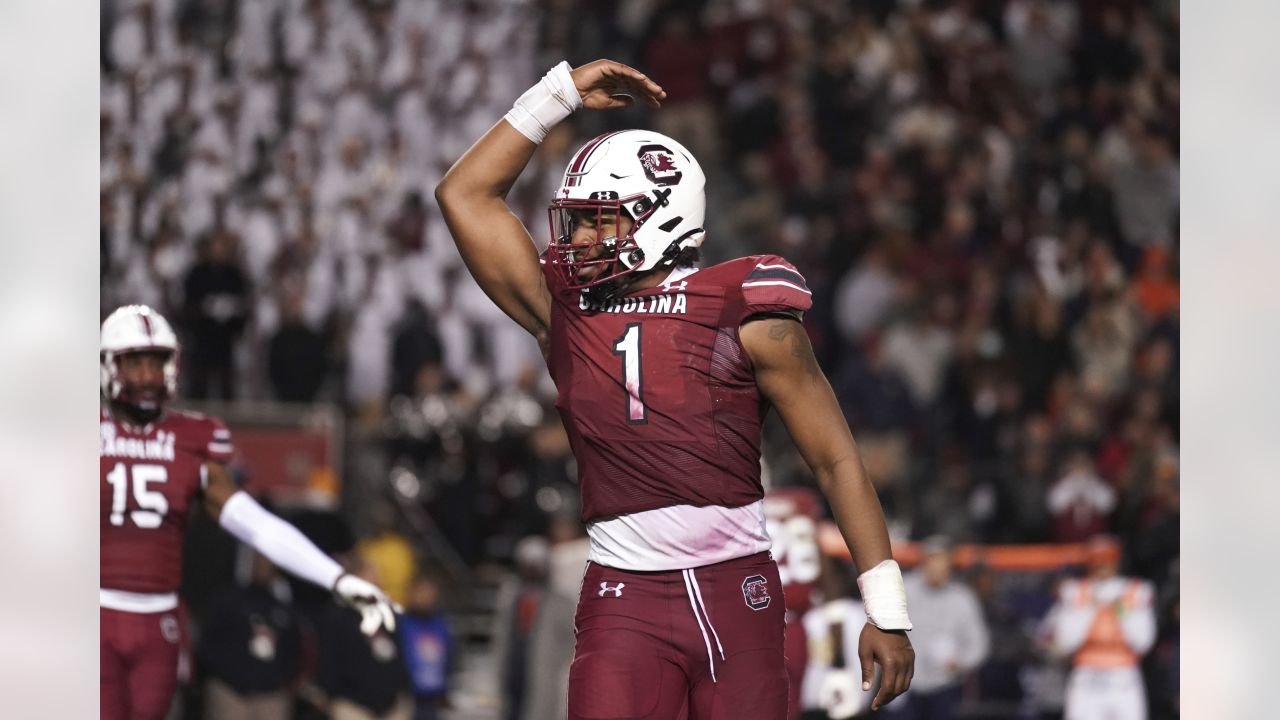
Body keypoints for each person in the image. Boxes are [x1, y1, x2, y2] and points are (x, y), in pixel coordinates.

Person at [435, 59, 914, 719]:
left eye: (596, 220)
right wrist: (560, 94)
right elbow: (463, 194)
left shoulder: (747, 316)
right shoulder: (565, 309)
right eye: (575, 219)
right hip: (621, 600)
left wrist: (887, 609)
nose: (574, 237)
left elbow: (836, 460)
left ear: (659, 217)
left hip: (737, 595)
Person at [100, 304, 399, 720]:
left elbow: (258, 527)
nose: (149, 377)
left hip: (159, 621)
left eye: (157, 363)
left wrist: (336, 577)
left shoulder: (193, 438)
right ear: (108, 366)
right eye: (136, 364)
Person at [1044, 536, 1156, 720]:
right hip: (1087, 679)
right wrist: (1090, 606)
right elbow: (1067, 641)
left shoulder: (1137, 590)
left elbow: (1143, 642)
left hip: (1124, 680)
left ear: (1116, 561)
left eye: (1107, 559)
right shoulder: (1074, 591)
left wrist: (1119, 607)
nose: (1102, 565)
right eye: (1097, 559)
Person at [891, 537, 990, 720]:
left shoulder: (962, 598)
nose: (937, 567)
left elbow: (978, 644)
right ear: (924, 562)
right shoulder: (903, 588)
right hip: (904, 683)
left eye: (943, 561)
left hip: (944, 685)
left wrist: (961, 661)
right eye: (933, 560)